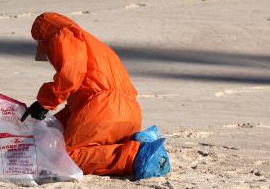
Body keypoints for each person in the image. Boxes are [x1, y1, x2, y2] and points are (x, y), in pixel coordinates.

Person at [20, 12, 170, 180]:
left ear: (44, 38)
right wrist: (47, 128)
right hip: (130, 113)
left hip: (103, 109)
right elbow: (75, 111)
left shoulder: (62, 35)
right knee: (76, 143)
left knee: (66, 158)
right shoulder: (93, 45)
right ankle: (140, 143)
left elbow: (71, 74)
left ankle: (136, 156)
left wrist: (44, 103)